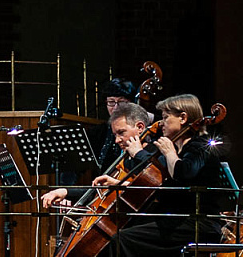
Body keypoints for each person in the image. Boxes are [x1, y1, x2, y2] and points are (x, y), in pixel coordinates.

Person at [91, 94, 223, 256]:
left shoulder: (200, 146)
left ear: (183, 118)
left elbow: (183, 175)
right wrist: (119, 184)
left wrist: (166, 153)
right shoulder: (174, 148)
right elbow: (158, 183)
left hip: (198, 223)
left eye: (166, 117)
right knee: (123, 231)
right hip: (175, 220)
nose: (161, 123)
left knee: (122, 239)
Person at [40, 102, 152, 210]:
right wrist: (65, 191)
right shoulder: (125, 159)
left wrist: (138, 154)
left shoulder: (154, 153)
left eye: (121, 132)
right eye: (115, 135)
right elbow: (99, 191)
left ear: (140, 127)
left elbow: (153, 189)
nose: (117, 140)